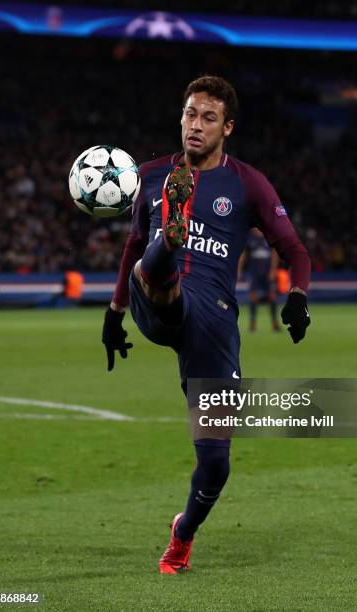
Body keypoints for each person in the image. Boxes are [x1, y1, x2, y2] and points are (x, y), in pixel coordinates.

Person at [102, 76, 311, 574]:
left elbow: (295, 250)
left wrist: (298, 297)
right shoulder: (150, 176)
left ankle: (182, 536)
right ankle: (169, 245)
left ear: (228, 128)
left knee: (216, 462)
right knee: (158, 269)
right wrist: (113, 314)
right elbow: (131, 244)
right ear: (181, 118)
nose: (195, 126)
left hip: (214, 322)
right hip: (155, 296)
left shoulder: (247, 183)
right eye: (190, 115)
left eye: (208, 118)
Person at [238, 227, 281, 332]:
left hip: (267, 273)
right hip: (254, 273)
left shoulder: (269, 235)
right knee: (253, 297)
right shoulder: (250, 238)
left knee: (272, 296)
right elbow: (243, 254)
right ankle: (252, 324)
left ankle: (275, 324)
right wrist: (239, 269)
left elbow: (275, 253)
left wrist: (273, 269)